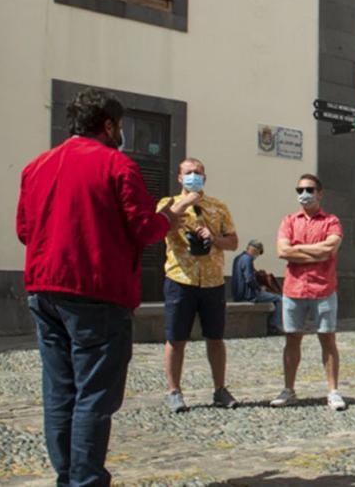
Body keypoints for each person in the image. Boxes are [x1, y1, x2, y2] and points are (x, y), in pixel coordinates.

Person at [16, 88, 199, 486]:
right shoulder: (118, 165)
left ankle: (68, 476)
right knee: (95, 395)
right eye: (120, 126)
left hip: (44, 289)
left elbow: (23, 230)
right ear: (109, 125)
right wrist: (169, 217)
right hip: (97, 291)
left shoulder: (36, 166)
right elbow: (142, 227)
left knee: (59, 392)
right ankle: (85, 480)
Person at [158, 158, 239, 413]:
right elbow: (160, 227)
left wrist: (213, 238)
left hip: (213, 280)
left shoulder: (218, 206)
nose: (194, 176)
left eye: (198, 173)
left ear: (205, 177)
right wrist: (185, 203)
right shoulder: (168, 204)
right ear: (180, 178)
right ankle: (174, 391)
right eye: (189, 173)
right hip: (180, 279)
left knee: (215, 338)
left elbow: (234, 242)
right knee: (176, 338)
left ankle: (220, 389)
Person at [270, 174, 347, 411]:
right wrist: (314, 252)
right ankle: (289, 389)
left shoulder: (331, 221)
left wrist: (297, 249)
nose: (304, 194)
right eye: (300, 189)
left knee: (328, 339)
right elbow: (282, 251)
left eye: (309, 189)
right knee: (292, 339)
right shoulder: (289, 221)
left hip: (323, 288)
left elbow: (330, 249)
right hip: (294, 289)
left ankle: (333, 391)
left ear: (320, 193)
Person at [230, 240, 283, 335]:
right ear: (255, 250)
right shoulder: (248, 259)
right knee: (279, 299)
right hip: (249, 295)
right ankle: (274, 326)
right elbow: (249, 279)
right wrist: (259, 288)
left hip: (238, 293)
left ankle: (271, 323)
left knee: (272, 297)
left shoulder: (238, 258)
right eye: (259, 253)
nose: (257, 255)